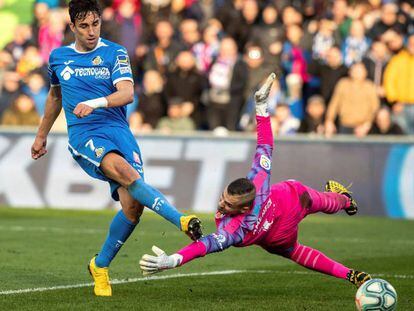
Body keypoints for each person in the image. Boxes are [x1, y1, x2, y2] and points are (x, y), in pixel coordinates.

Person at [30, 0, 203, 297]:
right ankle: (182, 220)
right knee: (126, 174)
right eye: (83, 26)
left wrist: (95, 102)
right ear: (72, 27)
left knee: (132, 208)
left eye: (95, 24)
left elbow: (126, 93)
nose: (91, 31)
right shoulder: (58, 58)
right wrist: (41, 134)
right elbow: (55, 97)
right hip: (86, 134)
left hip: (118, 130)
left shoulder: (115, 53)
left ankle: (99, 264)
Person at [139, 73, 372, 289]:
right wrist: (260, 107)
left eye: (229, 205)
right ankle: (349, 273)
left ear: (245, 207)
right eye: (223, 198)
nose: (221, 205)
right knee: (294, 251)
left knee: (333, 203)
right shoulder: (255, 182)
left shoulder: (237, 226)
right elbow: (265, 145)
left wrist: (174, 260)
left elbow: (205, 246)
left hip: (293, 199)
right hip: (277, 235)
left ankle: (345, 199)